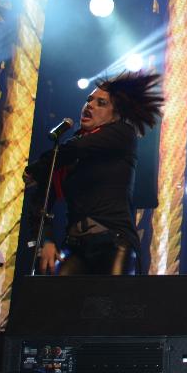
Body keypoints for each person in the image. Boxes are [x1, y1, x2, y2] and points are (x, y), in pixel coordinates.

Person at [23, 71, 163, 275]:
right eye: (89, 100)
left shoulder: (121, 134)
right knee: (55, 291)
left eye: (101, 103)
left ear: (115, 115)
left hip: (114, 242)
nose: (90, 105)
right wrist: (46, 240)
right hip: (75, 246)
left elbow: (76, 148)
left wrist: (36, 169)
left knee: (111, 296)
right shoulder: (66, 155)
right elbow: (40, 203)